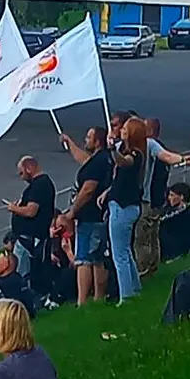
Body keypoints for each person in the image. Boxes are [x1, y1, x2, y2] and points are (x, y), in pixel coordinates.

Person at [59, 126, 112, 306]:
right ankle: (98, 297)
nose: (85, 139)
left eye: (89, 137)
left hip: (90, 217)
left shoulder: (98, 162)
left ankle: (82, 301)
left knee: (84, 260)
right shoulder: (102, 159)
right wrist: (70, 143)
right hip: (99, 216)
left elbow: (88, 189)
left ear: (97, 141)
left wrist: (72, 212)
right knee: (97, 258)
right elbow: (84, 160)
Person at [136, 118, 190, 277]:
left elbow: (155, 177)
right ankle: (154, 266)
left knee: (144, 237)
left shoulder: (151, 149)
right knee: (154, 235)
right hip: (159, 199)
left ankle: (144, 269)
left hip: (151, 199)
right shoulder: (161, 149)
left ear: (150, 131)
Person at [100, 117, 147, 304]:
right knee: (125, 251)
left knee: (119, 254)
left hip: (123, 207)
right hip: (124, 205)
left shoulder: (136, 155)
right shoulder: (126, 150)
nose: (122, 130)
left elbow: (123, 162)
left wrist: (112, 149)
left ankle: (126, 296)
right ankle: (135, 287)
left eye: (125, 129)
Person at [6, 156, 56, 282]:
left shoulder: (39, 185)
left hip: (29, 239)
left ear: (29, 168)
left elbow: (31, 211)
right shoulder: (37, 185)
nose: (21, 177)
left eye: (22, 173)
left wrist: (13, 208)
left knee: (22, 273)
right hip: (26, 238)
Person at [159, 182, 190, 262]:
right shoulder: (181, 210)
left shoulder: (183, 211)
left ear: (181, 197)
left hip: (182, 247)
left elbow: (163, 221)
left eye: (172, 195)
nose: (169, 198)